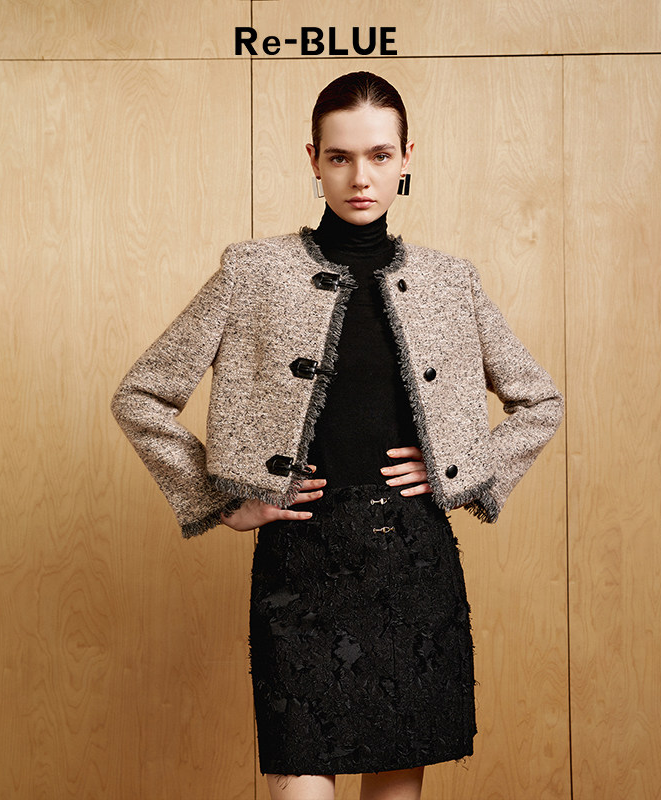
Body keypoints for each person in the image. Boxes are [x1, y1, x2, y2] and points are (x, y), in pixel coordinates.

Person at [111, 71, 564, 800]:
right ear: (313, 160)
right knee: (302, 776)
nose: (361, 177)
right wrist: (220, 501)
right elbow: (142, 395)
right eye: (340, 157)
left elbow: (540, 400)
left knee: (395, 784)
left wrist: (460, 466)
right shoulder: (252, 272)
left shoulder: (451, 282)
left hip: (413, 566)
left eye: (380, 156)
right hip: (300, 565)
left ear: (407, 157)